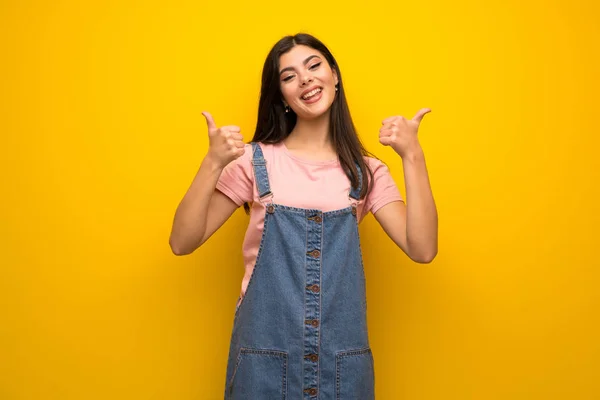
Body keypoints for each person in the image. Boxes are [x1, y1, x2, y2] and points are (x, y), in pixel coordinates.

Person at [169, 33, 438, 400]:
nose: (306, 79)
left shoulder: (366, 171)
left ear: (335, 75)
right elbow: (182, 242)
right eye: (289, 75)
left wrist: (413, 156)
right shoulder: (253, 161)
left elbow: (422, 248)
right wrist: (212, 163)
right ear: (281, 96)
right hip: (263, 367)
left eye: (314, 66)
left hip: (342, 370)